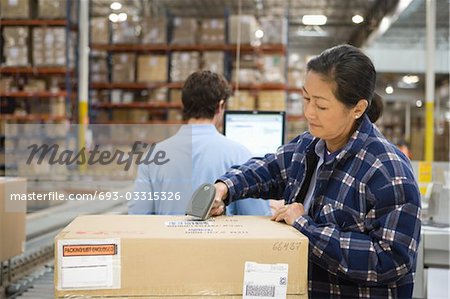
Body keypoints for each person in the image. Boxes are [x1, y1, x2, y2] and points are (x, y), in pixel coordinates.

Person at [210, 45, 421, 298]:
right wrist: (224, 187)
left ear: (358, 108)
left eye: (321, 106)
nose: (309, 113)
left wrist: (305, 226)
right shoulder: (309, 146)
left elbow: (391, 259)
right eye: (306, 99)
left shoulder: (387, 171)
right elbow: (269, 169)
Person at [128, 70, 271, 216]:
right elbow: (256, 217)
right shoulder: (240, 155)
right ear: (220, 106)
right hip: (220, 239)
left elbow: (139, 216)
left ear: (184, 104)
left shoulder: (152, 157)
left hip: (169, 238)